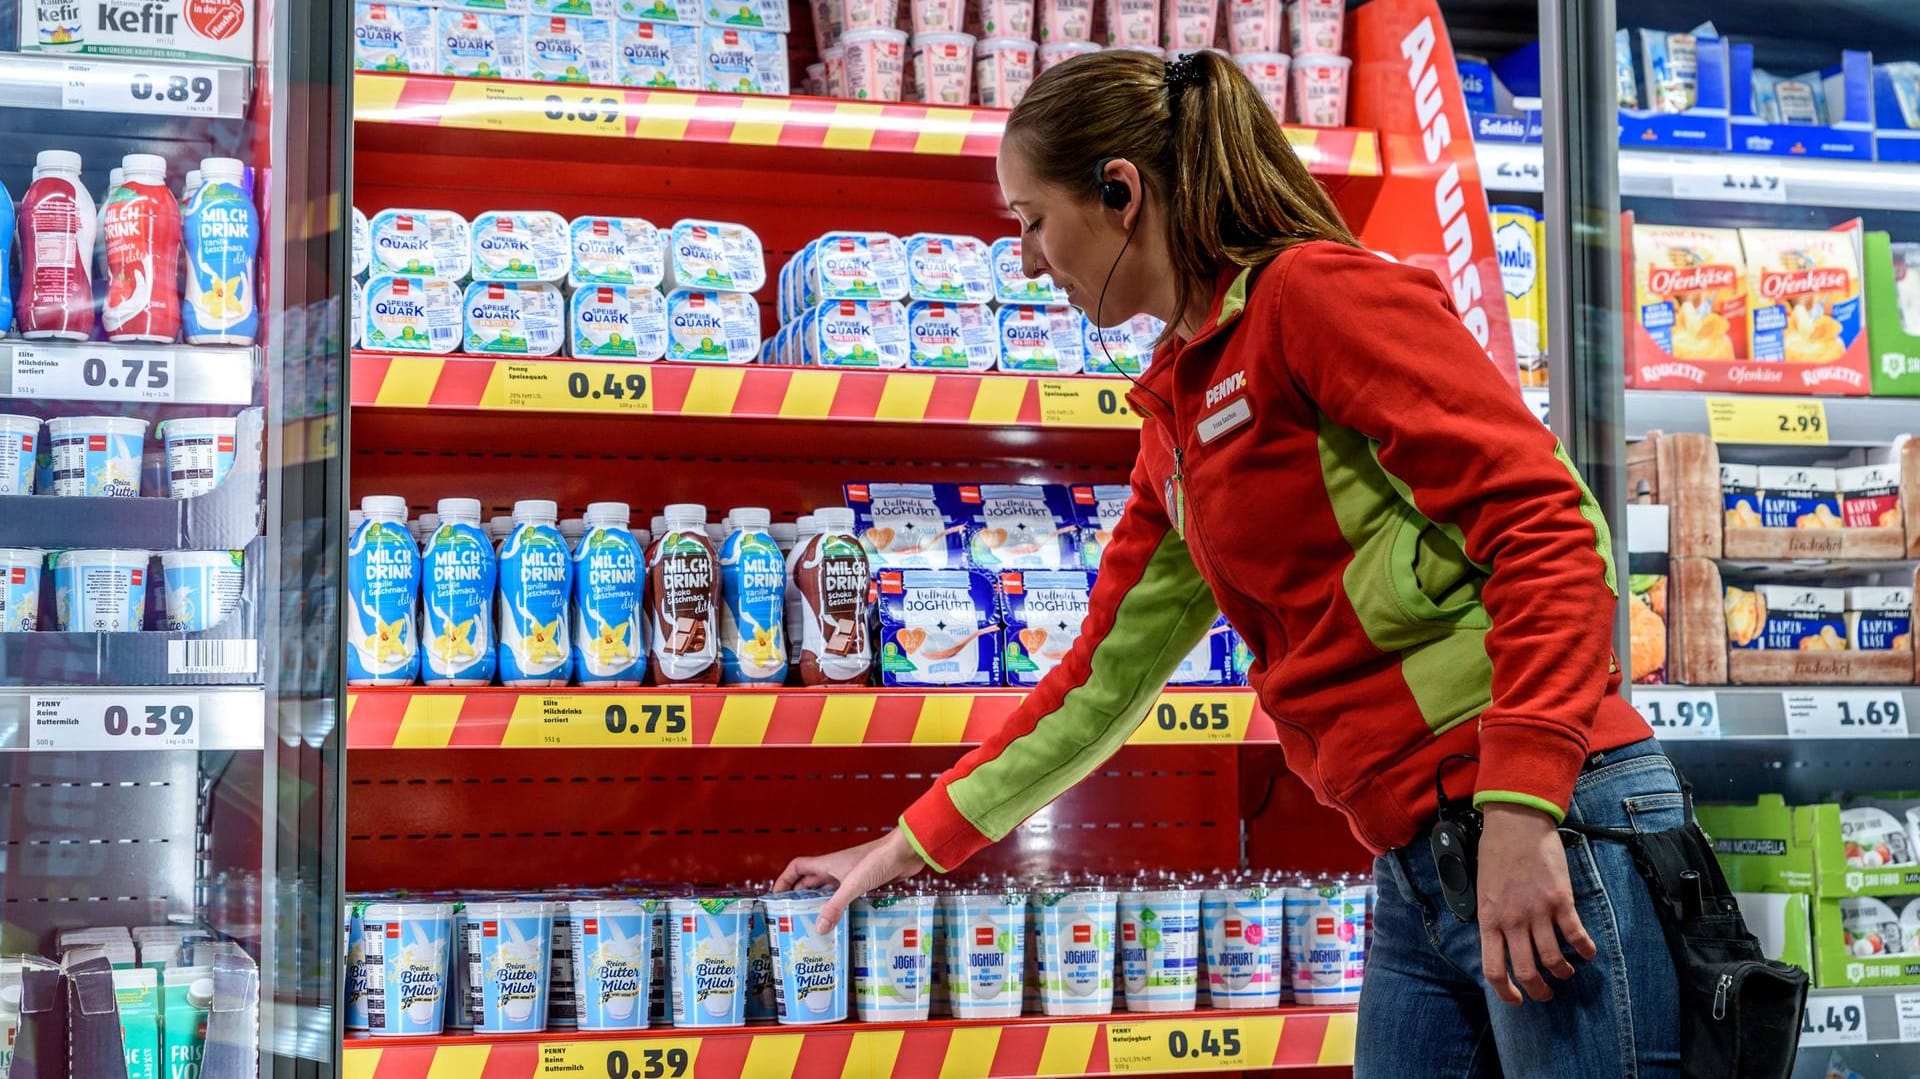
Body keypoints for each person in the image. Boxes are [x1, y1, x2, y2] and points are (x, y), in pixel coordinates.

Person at [777, 48, 1683, 1077]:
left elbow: (1551, 524)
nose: (1026, 260)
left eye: (1030, 220)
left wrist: (1524, 806)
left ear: (1121, 191)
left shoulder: (1315, 296)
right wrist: (903, 844)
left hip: (1552, 814)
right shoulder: (1176, 410)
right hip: (1417, 860)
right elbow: (1095, 682)